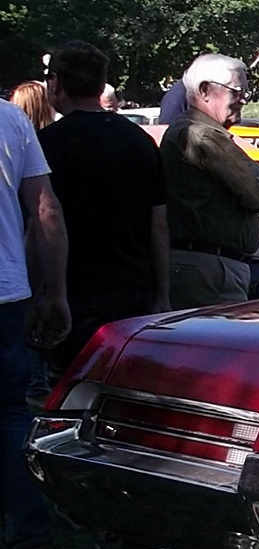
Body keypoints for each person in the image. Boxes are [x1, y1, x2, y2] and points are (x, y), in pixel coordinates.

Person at [38, 41, 170, 374]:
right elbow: (159, 225)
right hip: (134, 290)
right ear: (101, 86)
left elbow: (42, 221)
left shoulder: (49, 143)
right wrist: (162, 294)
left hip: (76, 291)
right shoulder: (140, 141)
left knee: (68, 393)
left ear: (57, 83)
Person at [0, 100, 70, 549]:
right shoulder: (9, 117)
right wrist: (55, 291)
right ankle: (29, 536)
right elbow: (45, 209)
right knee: (7, 416)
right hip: (5, 292)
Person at [162, 54, 259, 308]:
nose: (244, 99)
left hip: (206, 267)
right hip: (209, 272)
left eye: (246, 91)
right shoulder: (202, 135)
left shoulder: (193, 129)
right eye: (237, 91)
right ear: (205, 90)